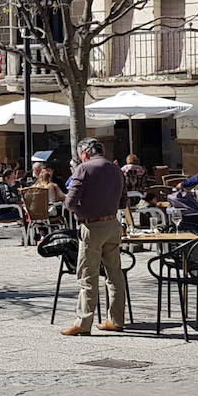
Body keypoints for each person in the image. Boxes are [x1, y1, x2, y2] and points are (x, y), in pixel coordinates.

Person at [59, 138, 126, 336]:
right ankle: (116, 320)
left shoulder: (83, 168)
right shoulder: (116, 169)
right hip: (113, 224)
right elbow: (123, 202)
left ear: (84, 153)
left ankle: (83, 322)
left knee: (88, 274)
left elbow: (70, 203)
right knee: (115, 274)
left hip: (92, 226)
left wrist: (74, 206)